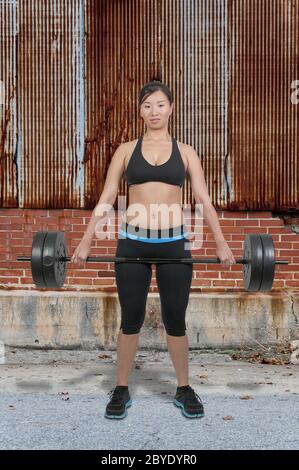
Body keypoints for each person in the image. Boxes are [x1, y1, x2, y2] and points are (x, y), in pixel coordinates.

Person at [71, 80, 235, 420]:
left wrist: (221, 243)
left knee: (176, 320)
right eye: (147, 106)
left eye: (160, 104)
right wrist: (86, 240)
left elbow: (204, 199)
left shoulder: (186, 152)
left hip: (174, 243)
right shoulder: (126, 150)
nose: (154, 111)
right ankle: (121, 388)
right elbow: (106, 197)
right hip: (132, 243)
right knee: (130, 320)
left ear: (171, 108)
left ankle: (184, 388)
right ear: (140, 111)